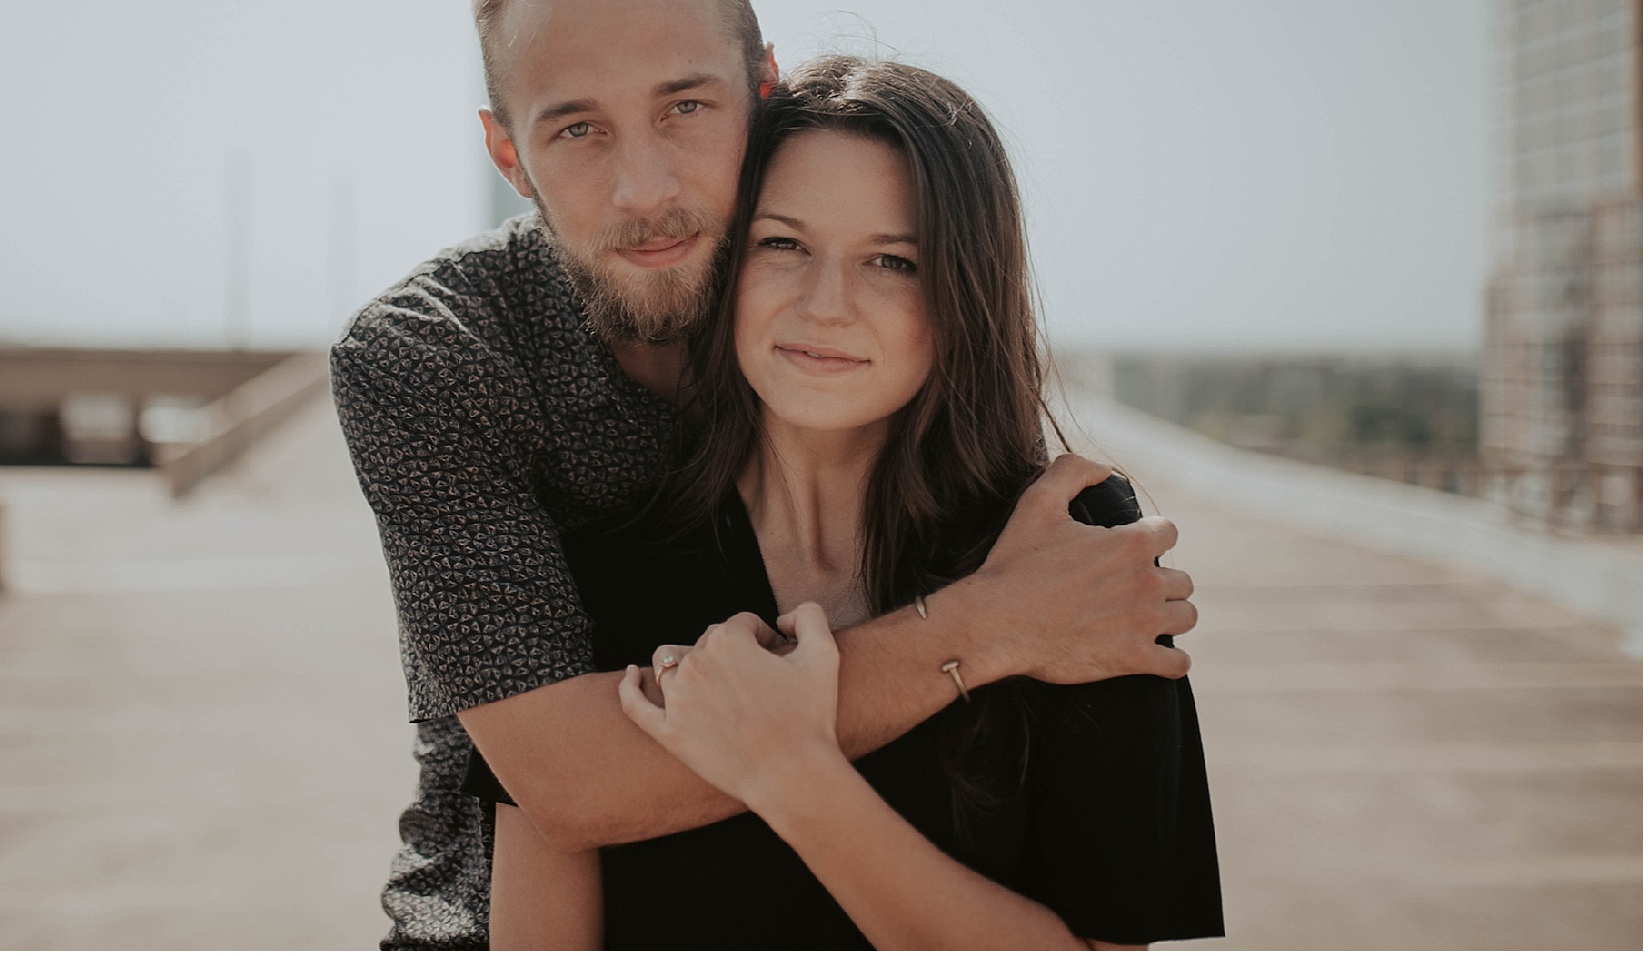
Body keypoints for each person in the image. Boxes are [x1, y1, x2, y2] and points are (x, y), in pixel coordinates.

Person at [330, 0, 1199, 950]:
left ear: (760, 92)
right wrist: (989, 627)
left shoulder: (1058, 540)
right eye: (577, 128)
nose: (644, 188)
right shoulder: (461, 387)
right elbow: (567, 781)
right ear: (507, 157)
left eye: (684, 108)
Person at [482, 56, 1222, 949]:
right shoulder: (591, 557)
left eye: (892, 261)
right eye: (783, 244)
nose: (825, 305)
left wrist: (794, 775)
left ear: (964, 291)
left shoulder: (1069, 545)